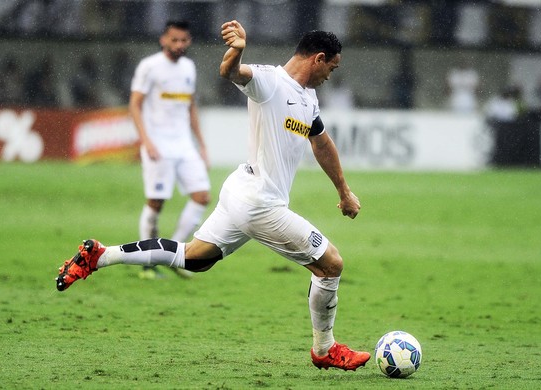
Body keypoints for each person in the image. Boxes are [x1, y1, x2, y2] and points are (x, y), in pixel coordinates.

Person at [56, 19, 371, 372]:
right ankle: (325, 349)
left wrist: (344, 191)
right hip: (259, 203)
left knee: (195, 258)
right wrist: (236, 52)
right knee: (331, 265)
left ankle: (99, 256)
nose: (331, 74)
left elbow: (321, 142)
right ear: (319, 58)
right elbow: (231, 72)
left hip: (241, 191)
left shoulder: (308, 99)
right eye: (332, 67)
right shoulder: (269, 81)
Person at [129, 20, 211, 279]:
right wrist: (146, 141)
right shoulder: (149, 66)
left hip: (184, 144)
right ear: (163, 39)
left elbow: (190, 106)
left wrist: (202, 145)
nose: (180, 45)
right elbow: (134, 105)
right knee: (156, 202)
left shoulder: (189, 67)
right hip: (158, 145)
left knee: (202, 196)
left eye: (184, 40)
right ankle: (147, 264)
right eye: (174, 40)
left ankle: (172, 253)